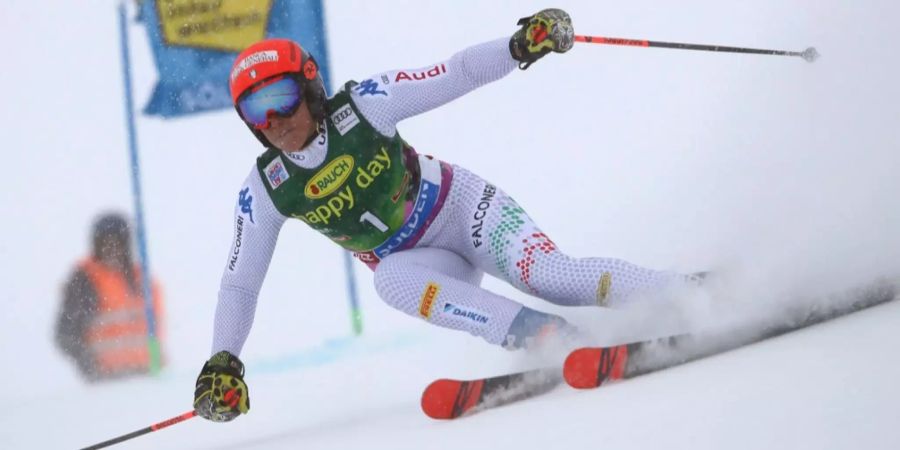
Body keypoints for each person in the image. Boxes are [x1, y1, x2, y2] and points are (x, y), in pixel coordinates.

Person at [193, 9, 702, 421]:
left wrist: (519, 46)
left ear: (309, 88)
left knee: (549, 275)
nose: (274, 121)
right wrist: (223, 362)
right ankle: (547, 337)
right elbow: (240, 283)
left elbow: (454, 73)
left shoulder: (366, 105)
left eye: (280, 99)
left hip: (464, 211)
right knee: (390, 280)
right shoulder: (266, 188)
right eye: (255, 111)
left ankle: (688, 294)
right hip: (422, 261)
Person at [54, 212, 165, 382]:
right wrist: (89, 366)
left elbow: (156, 328)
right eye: (105, 243)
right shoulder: (85, 281)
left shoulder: (142, 280)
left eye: (118, 243)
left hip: (149, 376)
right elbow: (67, 334)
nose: (112, 249)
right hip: (108, 381)